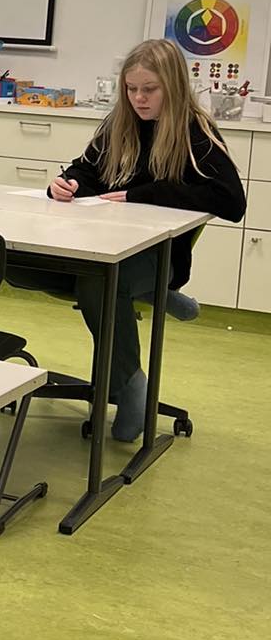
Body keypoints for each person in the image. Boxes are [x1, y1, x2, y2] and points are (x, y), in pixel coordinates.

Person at [38, 39, 245, 442]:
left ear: (173, 86)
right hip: (102, 243)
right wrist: (67, 184)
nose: (138, 99)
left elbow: (231, 202)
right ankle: (153, 296)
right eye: (131, 89)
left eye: (149, 89)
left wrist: (146, 193)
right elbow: (87, 170)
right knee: (21, 268)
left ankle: (130, 382)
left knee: (100, 282)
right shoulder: (120, 123)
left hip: (158, 255)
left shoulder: (195, 132)